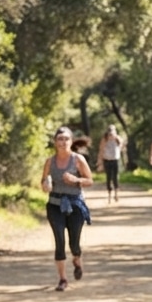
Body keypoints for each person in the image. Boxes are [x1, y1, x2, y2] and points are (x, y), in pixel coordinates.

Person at [42, 126, 93, 291]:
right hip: (55, 205)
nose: (63, 142)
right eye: (60, 139)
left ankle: (77, 259)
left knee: (74, 243)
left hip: (75, 205)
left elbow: (89, 180)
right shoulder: (50, 162)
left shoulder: (78, 159)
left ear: (71, 142)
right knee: (59, 241)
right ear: (55, 142)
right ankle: (63, 279)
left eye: (66, 139)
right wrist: (46, 185)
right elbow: (43, 182)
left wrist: (75, 180)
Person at [97, 125, 124, 202]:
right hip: (107, 160)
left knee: (115, 177)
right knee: (108, 177)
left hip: (115, 160)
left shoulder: (118, 139)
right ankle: (109, 194)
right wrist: (100, 161)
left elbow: (121, 147)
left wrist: (116, 138)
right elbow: (101, 150)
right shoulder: (104, 139)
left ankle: (116, 193)